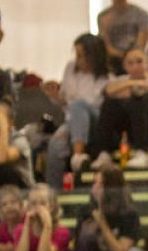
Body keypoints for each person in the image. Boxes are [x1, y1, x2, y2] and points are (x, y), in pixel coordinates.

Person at [44, 34, 112, 186]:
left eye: (81, 55)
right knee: (55, 145)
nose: (78, 59)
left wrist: (72, 103)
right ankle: (53, 189)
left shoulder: (106, 79)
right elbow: (66, 102)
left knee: (79, 105)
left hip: (94, 122)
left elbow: (92, 105)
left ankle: (78, 154)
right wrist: (56, 95)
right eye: (76, 54)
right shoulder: (70, 69)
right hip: (71, 121)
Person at [95, 48, 148, 172]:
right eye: (130, 63)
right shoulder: (122, 79)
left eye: (139, 61)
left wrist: (125, 88)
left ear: (147, 63)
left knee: (138, 100)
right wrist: (130, 84)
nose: (135, 66)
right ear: (125, 66)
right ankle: (104, 152)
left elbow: (142, 90)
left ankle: (143, 152)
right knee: (109, 104)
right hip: (130, 127)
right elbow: (108, 92)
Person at [98, 0, 148, 73]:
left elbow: (141, 43)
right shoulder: (103, 16)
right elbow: (106, 46)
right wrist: (105, 28)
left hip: (135, 59)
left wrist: (131, 57)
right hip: (114, 61)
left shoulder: (140, 14)